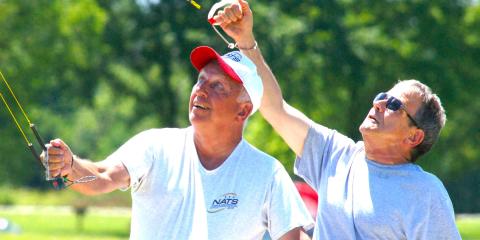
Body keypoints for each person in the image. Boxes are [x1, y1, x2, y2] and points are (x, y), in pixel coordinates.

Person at [214, 1, 462, 239]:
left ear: (414, 136)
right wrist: (246, 41)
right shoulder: (335, 154)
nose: (379, 103)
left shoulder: (426, 193)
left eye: (394, 105)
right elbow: (275, 109)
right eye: (383, 96)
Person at [42, 45, 314, 239]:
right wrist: (70, 166)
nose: (201, 91)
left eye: (217, 86)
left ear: (243, 111)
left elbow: (293, 236)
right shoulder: (155, 146)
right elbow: (101, 177)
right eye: (200, 81)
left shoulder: (267, 173)